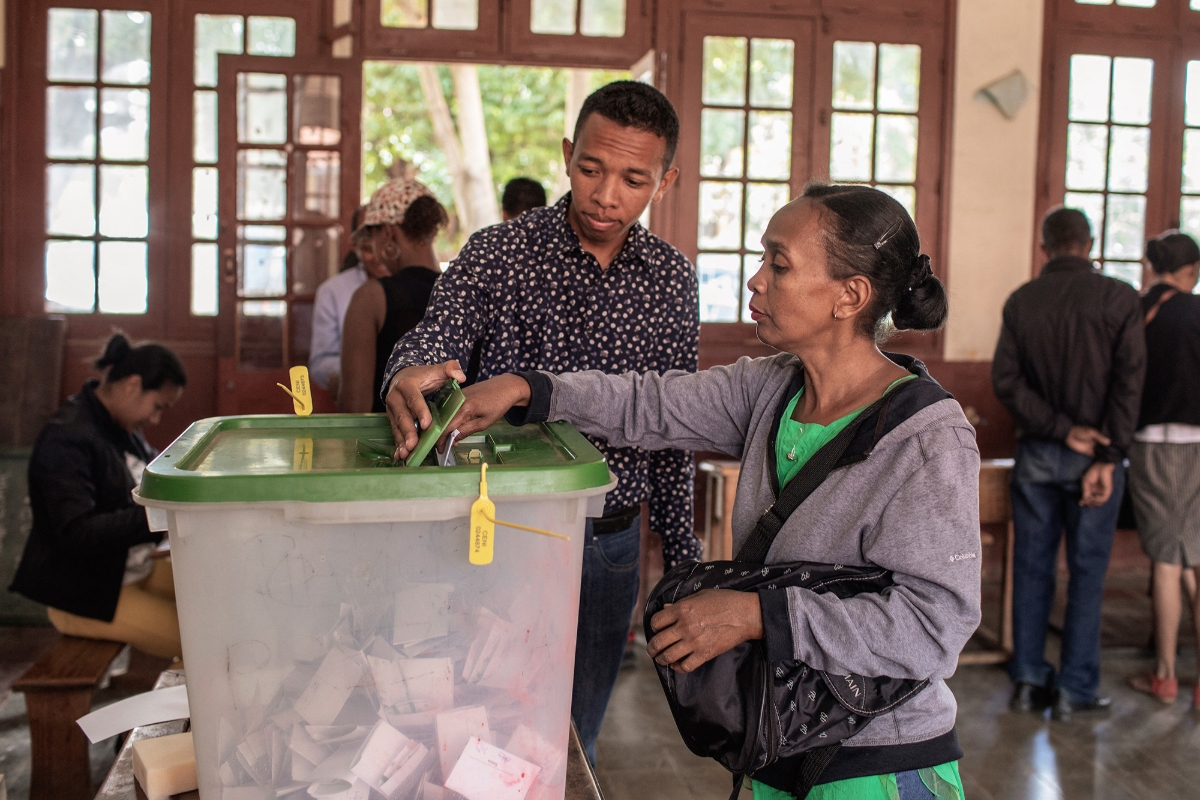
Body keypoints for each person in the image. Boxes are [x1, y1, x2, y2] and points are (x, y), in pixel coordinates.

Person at [408, 184, 981, 799]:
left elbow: (933, 627)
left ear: (851, 296)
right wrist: (528, 388)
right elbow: (649, 403)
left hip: (876, 764)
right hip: (779, 744)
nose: (756, 281)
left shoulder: (926, 440)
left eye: (779, 265)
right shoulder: (772, 389)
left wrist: (755, 614)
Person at [382, 81, 698, 763]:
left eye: (633, 178)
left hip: (608, 544)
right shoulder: (499, 253)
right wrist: (406, 373)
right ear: (566, 154)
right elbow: (437, 337)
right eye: (591, 168)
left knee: (571, 736)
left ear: (664, 180)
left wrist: (681, 566)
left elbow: (674, 427)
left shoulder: (671, 280)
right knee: (480, 723)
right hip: (498, 535)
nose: (606, 194)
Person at [992, 207, 1146, 722]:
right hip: (1098, 461)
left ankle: (1029, 679)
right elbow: (1129, 383)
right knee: (1087, 573)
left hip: (1038, 451)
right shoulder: (1120, 297)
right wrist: (1106, 451)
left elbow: (1006, 381)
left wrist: (1061, 429)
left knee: (1032, 568)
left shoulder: (1022, 301)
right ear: (1091, 243)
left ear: (1044, 247)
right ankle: (1076, 687)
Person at [10, 334, 187, 660]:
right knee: (199, 641)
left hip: (129, 570)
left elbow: (156, 475)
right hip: (84, 594)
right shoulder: (67, 438)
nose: (156, 419)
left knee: (216, 591)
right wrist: (159, 514)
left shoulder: (117, 426)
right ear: (133, 385)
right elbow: (78, 532)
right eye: (157, 407)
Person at [1124, 230, 1200, 707]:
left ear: (1153, 266)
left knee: (1168, 563)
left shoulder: (1138, 311)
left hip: (1152, 444)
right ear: (1191, 271)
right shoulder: (1199, 311)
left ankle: (1166, 675)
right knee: (1194, 557)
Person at [338, 179, 448, 413]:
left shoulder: (371, 298)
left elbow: (353, 408)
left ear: (387, 233)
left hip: (389, 446)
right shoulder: (464, 294)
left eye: (372, 237)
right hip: (457, 445)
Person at [310, 205, 390, 396]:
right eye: (368, 246)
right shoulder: (332, 291)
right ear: (355, 245)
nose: (378, 254)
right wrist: (361, 371)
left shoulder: (418, 288)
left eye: (384, 239)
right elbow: (320, 364)